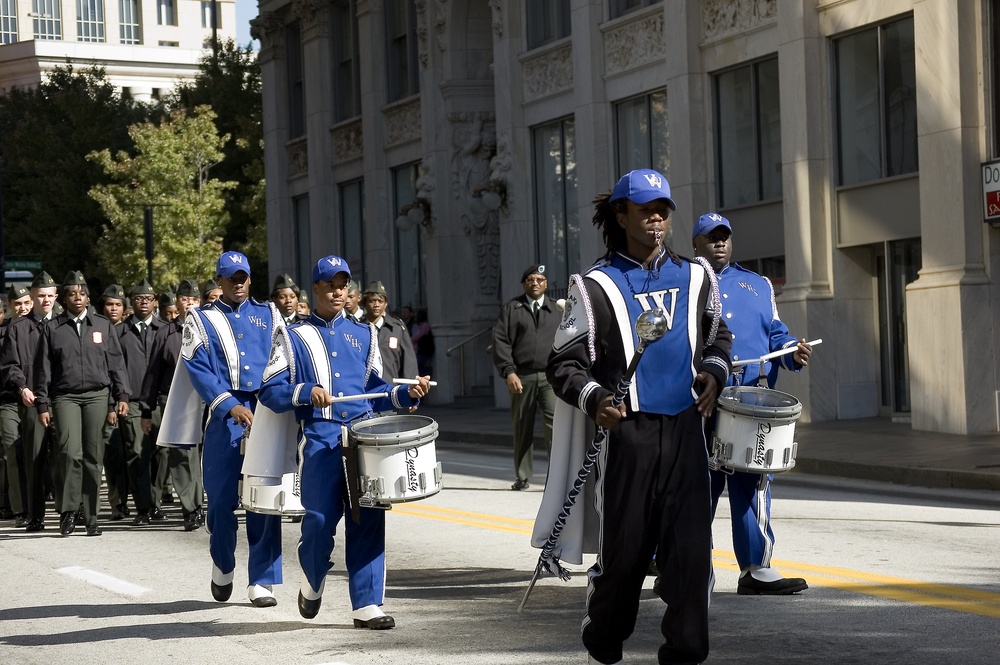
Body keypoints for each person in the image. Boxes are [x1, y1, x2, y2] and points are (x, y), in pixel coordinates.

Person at [537, 169, 731, 665]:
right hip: (628, 438)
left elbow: (718, 338)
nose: (656, 218)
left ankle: (685, 653)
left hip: (687, 432)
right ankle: (603, 641)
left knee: (690, 557)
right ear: (621, 215)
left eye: (662, 208)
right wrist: (597, 397)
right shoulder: (594, 286)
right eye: (644, 209)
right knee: (625, 558)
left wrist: (713, 369)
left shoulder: (695, 275)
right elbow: (563, 364)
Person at [258, 255, 431, 628]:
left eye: (343, 285)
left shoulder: (365, 333)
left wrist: (406, 394)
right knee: (319, 523)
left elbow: (375, 391)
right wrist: (305, 391)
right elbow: (270, 391)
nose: (338, 291)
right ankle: (313, 576)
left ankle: (367, 605)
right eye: (330, 285)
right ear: (316, 288)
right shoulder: (291, 336)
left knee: (368, 519)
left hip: (363, 438)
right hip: (319, 439)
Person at [692, 212, 812, 596]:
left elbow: (776, 333)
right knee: (697, 485)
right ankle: (688, 567)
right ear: (696, 243)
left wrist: (793, 352)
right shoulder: (684, 280)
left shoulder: (758, 284)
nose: (719, 242)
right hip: (701, 400)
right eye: (711, 237)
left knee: (754, 481)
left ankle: (756, 568)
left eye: (724, 236)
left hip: (752, 401)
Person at [181, 251, 284, 607]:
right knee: (221, 501)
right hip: (225, 417)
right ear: (219, 282)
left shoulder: (269, 314)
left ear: (250, 279)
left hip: (265, 413)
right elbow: (198, 368)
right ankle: (223, 563)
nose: (238, 283)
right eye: (231, 278)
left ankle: (262, 580)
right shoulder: (200, 318)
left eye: (243, 277)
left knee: (265, 500)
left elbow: (283, 360)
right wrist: (230, 405)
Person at [35, 271, 130, 537]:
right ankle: (68, 511)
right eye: (72, 294)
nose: (78, 298)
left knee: (92, 456)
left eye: (83, 293)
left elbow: (116, 365)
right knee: (69, 453)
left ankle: (91, 517)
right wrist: (43, 404)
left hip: (97, 396)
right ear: (63, 299)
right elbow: (43, 370)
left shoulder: (102, 325)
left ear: (88, 298)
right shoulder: (52, 328)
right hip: (64, 396)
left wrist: (121, 396)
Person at [140, 279, 205, 532]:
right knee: (181, 456)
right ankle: (191, 508)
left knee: (200, 457)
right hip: (174, 399)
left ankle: (202, 503)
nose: (189, 304)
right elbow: (153, 373)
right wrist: (147, 409)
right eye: (184, 299)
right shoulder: (165, 333)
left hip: (205, 398)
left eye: (194, 300)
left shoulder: (209, 330)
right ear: (176, 302)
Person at [491, 264, 560, 491]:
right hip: (522, 376)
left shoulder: (556, 310)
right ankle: (523, 476)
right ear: (524, 284)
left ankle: (558, 476)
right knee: (522, 425)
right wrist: (509, 372)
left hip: (551, 377)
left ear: (546, 284)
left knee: (555, 427)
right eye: (531, 279)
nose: (535, 283)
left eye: (540, 279)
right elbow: (501, 341)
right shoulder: (513, 308)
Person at [1, 271, 58, 532]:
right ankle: (35, 515)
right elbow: (10, 365)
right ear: (33, 297)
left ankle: (72, 508)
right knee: (33, 459)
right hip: (32, 401)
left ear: (55, 297)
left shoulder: (62, 323)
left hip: (61, 399)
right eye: (40, 296)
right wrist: (22, 387)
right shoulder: (18, 328)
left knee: (66, 457)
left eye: (49, 296)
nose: (45, 300)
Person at [118, 279, 166, 525]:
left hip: (159, 400)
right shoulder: (120, 331)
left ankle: (155, 503)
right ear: (131, 302)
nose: (143, 302)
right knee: (137, 453)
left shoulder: (165, 329)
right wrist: (120, 397)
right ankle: (143, 507)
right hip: (133, 400)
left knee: (161, 453)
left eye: (148, 298)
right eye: (138, 298)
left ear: (155, 302)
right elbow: (115, 368)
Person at [99, 284, 130, 520]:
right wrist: (111, 402)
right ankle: (117, 502)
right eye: (110, 304)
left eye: (118, 305)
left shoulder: (130, 332)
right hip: (107, 402)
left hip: (131, 400)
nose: (113, 309)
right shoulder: (97, 330)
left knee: (133, 454)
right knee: (113, 455)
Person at [0, 287, 31, 523]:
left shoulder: (41, 327)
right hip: (8, 401)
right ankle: (20, 509)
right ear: (9, 305)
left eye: (26, 303)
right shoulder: (4, 331)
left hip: (36, 400)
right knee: (13, 452)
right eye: (17, 304)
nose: (22, 308)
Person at [361, 281, 419, 383]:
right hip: (365, 390)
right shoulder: (357, 327)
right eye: (372, 301)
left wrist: (409, 388)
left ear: (386, 304)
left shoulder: (397, 328)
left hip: (390, 389)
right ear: (365, 303)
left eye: (380, 301)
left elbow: (409, 362)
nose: (376, 305)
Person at [411, 308, 435, 377]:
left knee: (418, 366)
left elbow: (415, 337)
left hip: (423, 351)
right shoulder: (421, 326)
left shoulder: (425, 326)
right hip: (420, 350)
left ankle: (428, 371)